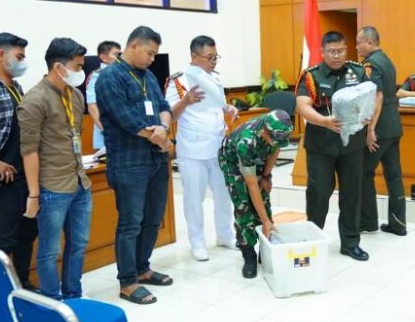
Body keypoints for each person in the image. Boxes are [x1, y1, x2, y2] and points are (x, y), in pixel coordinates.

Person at [96, 26, 174, 305]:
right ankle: (127, 281)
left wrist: (164, 127)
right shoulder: (108, 78)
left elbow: (164, 104)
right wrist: (159, 136)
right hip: (129, 162)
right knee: (130, 223)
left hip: (155, 159)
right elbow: (125, 118)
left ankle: (143, 268)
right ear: (133, 46)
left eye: (155, 54)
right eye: (150, 53)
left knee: (153, 219)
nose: (153, 58)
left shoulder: (148, 75)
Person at [18, 38, 92, 300]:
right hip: (52, 188)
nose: (81, 71)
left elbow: (75, 135)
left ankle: (74, 295)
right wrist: (34, 194)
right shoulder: (35, 99)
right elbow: (29, 151)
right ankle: (53, 301)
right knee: (49, 252)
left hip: (80, 183)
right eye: (78, 66)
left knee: (79, 245)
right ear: (59, 67)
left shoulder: (76, 96)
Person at [295, 31, 370, 261]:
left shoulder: (358, 72)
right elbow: (302, 106)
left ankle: (350, 243)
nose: (337, 56)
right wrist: (324, 122)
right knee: (318, 194)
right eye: (332, 52)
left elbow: (371, 96)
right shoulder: (311, 76)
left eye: (341, 51)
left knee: (352, 194)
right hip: (321, 146)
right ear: (322, 52)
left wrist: (367, 115)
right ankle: (313, 241)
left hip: (352, 145)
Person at [165, 35, 238, 261]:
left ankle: (225, 235)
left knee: (224, 194)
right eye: (209, 57)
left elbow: (218, 106)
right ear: (194, 56)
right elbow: (169, 115)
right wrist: (185, 101)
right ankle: (197, 242)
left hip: (217, 145)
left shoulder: (215, 78)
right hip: (193, 150)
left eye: (216, 56)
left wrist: (229, 109)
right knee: (193, 198)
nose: (213, 61)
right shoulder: (178, 81)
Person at [0, 33, 38, 290]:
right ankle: (0, 294)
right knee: (5, 239)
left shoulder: (17, 89)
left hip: (26, 175)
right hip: (3, 180)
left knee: (28, 233)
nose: (23, 62)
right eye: (19, 56)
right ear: (1, 55)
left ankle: (23, 285)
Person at [218, 110, 293, 278]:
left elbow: (275, 148)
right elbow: (251, 185)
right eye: (273, 139)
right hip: (232, 162)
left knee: (264, 200)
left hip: (256, 158)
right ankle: (249, 255)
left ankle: (266, 250)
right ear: (264, 132)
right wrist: (264, 221)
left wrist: (266, 176)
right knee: (243, 205)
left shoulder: (275, 130)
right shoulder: (246, 142)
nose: (277, 143)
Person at [357, 26, 407, 236]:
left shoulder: (371, 63)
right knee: (394, 175)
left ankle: (368, 222)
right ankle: (398, 223)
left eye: (359, 42)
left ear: (369, 42)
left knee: (363, 172)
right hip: (393, 125)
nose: (357, 46)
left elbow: (376, 96)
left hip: (381, 128)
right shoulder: (386, 59)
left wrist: (371, 130)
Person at [85, 40, 121, 151]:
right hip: (106, 138)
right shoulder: (96, 76)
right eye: (115, 54)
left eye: (120, 54)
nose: (119, 58)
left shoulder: (121, 74)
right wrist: (106, 131)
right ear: (103, 57)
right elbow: (92, 107)